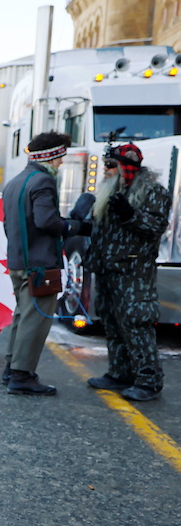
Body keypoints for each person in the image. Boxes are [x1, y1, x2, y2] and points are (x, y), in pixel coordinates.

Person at [78, 143, 170, 401]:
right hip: (108, 268)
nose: (104, 170)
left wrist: (130, 215)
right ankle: (120, 373)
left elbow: (155, 226)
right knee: (111, 319)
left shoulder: (153, 192)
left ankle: (149, 380)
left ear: (124, 167)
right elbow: (103, 228)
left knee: (136, 323)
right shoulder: (110, 190)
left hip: (134, 271)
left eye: (109, 165)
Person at [1, 132, 88, 395]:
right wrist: (72, 226)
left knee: (22, 316)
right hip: (38, 265)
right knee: (35, 320)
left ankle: (11, 368)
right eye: (60, 158)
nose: (61, 164)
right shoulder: (43, 181)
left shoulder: (15, 182)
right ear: (51, 156)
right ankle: (22, 376)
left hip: (18, 261)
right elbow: (46, 221)